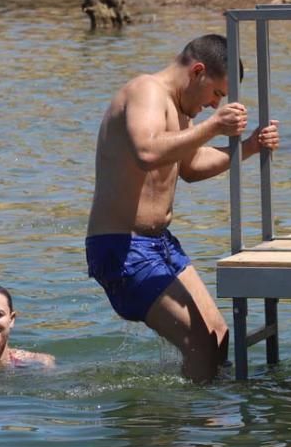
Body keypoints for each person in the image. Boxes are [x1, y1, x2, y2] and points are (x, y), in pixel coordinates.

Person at [86, 34, 280, 382]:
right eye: (217, 94)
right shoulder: (146, 90)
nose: (214, 104)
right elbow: (146, 152)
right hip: (122, 246)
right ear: (199, 71)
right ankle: (195, 431)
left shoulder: (180, 109)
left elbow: (190, 166)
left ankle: (205, 414)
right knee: (199, 343)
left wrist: (248, 147)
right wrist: (213, 126)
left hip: (160, 243)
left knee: (218, 336)